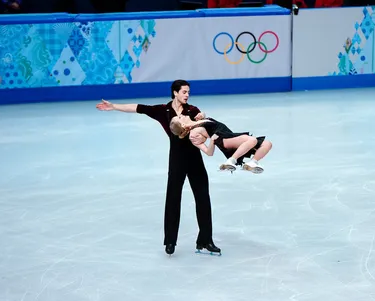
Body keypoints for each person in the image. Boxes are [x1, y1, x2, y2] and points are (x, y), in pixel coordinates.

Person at [95, 80, 221, 256]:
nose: (187, 95)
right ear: (175, 93)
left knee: (203, 198)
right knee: (173, 199)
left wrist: (203, 118)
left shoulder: (192, 111)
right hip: (177, 160)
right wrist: (114, 106)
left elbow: (207, 127)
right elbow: (138, 108)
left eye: (188, 92)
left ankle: (205, 240)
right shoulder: (163, 110)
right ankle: (170, 242)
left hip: (195, 159)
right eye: (184, 92)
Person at [169, 115, 273, 174]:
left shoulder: (197, 119)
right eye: (179, 117)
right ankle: (231, 160)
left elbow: (208, 122)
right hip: (223, 139)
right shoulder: (193, 134)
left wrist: (202, 115)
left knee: (267, 144)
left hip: (229, 134)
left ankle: (252, 163)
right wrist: (212, 141)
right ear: (182, 124)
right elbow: (209, 152)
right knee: (252, 140)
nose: (181, 114)